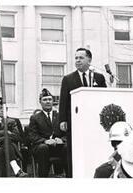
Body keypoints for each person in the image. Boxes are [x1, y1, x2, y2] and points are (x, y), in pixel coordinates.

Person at [59, 47, 107, 177]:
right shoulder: (68, 79)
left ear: (89, 60)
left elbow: (104, 98)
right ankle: (73, 176)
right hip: (75, 122)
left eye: (81, 58)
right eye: (76, 58)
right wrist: (62, 119)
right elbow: (63, 101)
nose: (78, 60)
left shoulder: (99, 77)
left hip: (94, 122)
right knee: (74, 151)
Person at [28, 88, 67, 177]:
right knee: (43, 148)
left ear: (53, 101)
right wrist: (45, 141)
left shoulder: (60, 116)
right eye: (45, 100)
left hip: (58, 146)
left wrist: (62, 140)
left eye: (50, 99)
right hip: (42, 147)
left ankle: (69, 177)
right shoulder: (35, 118)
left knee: (67, 147)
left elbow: (68, 133)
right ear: (40, 102)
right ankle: (43, 178)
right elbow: (32, 136)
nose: (48, 102)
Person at [0, 93, 28, 177]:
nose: (3, 110)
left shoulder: (11, 121)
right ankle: (16, 169)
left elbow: (17, 136)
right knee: (5, 140)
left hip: (7, 148)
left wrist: (1, 136)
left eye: (4, 108)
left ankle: (3, 178)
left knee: (2, 150)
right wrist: (5, 132)